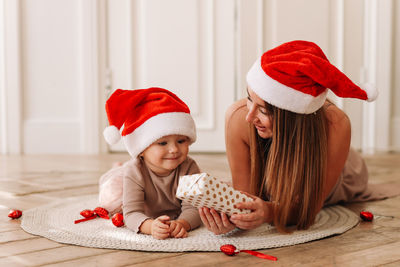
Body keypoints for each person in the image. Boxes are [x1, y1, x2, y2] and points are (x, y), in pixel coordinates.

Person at [199, 40, 380, 234]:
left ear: (291, 116)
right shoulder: (238, 117)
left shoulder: (336, 124)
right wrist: (234, 217)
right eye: (249, 98)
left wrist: (269, 211)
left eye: (263, 110)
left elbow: (307, 209)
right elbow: (246, 198)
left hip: (339, 173)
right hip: (275, 176)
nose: (249, 116)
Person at [99, 87, 201, 239]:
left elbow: (193, 208)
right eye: (162, 143)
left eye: (181, 141)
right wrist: (150, 226)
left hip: (172, 210)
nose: (174, 149)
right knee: (111, 199)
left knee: (206, 195)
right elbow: (132, 213)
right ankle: (118, 169)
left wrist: (182, 223)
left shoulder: (189, 167)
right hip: (129, 180)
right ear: (141, 149)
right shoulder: (135, 172)